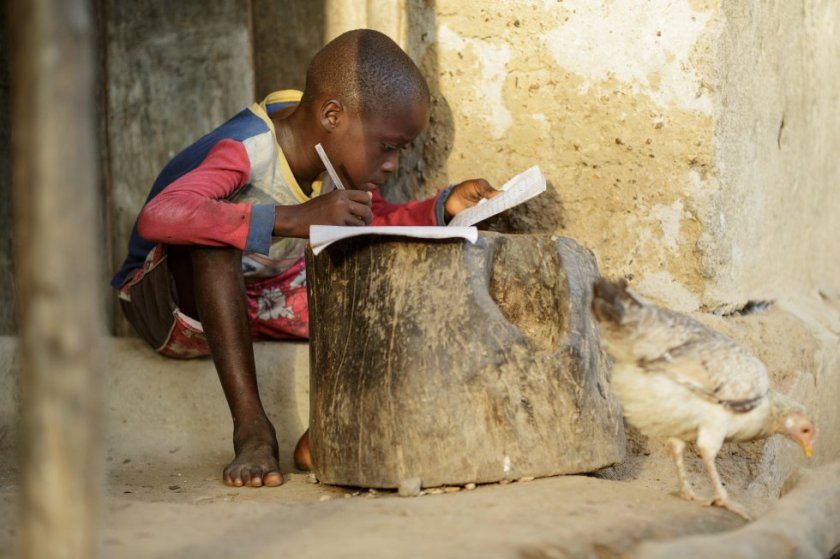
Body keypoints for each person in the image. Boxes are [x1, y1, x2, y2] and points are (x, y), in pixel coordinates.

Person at [111, 29, 498, 488]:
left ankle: (326, 430)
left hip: (264, 294)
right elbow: (159, 216)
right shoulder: (246, 149)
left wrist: (442, 207)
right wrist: (292, 218)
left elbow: (369, 219)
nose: (393, 165)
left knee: (374, 272)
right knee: (213, 241)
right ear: (332, 115)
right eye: (388, 147)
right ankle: (253, 431)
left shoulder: (332, 148)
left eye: (401, 151)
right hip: (172, 307)